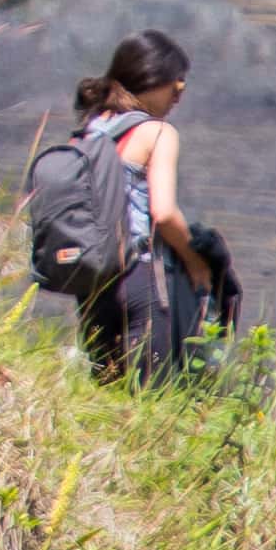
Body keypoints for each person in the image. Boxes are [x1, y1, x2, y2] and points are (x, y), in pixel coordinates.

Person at [75, 29, 237, 383]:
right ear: (152, 78)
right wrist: (196, 263)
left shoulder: (90, 130)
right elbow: (163, 213)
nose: (181, 92)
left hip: (91, 284)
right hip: (138, 278)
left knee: (106, 390)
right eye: (177, 82)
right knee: (152, 393)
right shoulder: (157, 133)